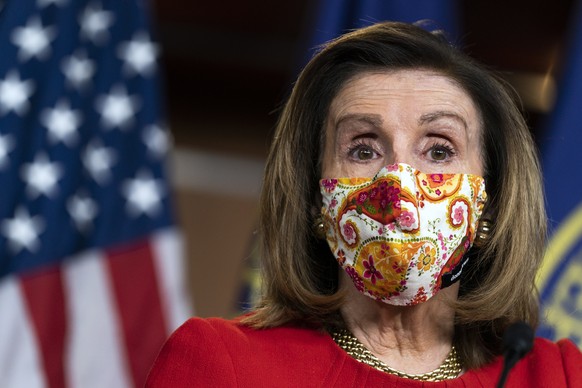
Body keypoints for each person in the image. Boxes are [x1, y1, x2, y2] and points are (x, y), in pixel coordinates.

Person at [146, 22, 582, 387]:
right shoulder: (225, 364)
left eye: (438, 150)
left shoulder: (554, 375)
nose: (396, 181)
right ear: (316, 199)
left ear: (489, 205)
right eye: (362, 149)